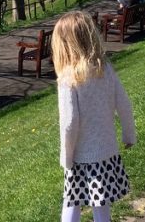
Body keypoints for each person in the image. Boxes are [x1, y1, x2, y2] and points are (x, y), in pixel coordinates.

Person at [53, 11, 136, 222]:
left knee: (72, 201)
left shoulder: (68, 79)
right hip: (106, 150)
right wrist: (129, 135)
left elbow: (69, 123)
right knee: (101, 203)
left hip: (81, 156)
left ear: (63, 45)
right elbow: (124, 104)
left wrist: (66, 156)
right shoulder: (104, 69)